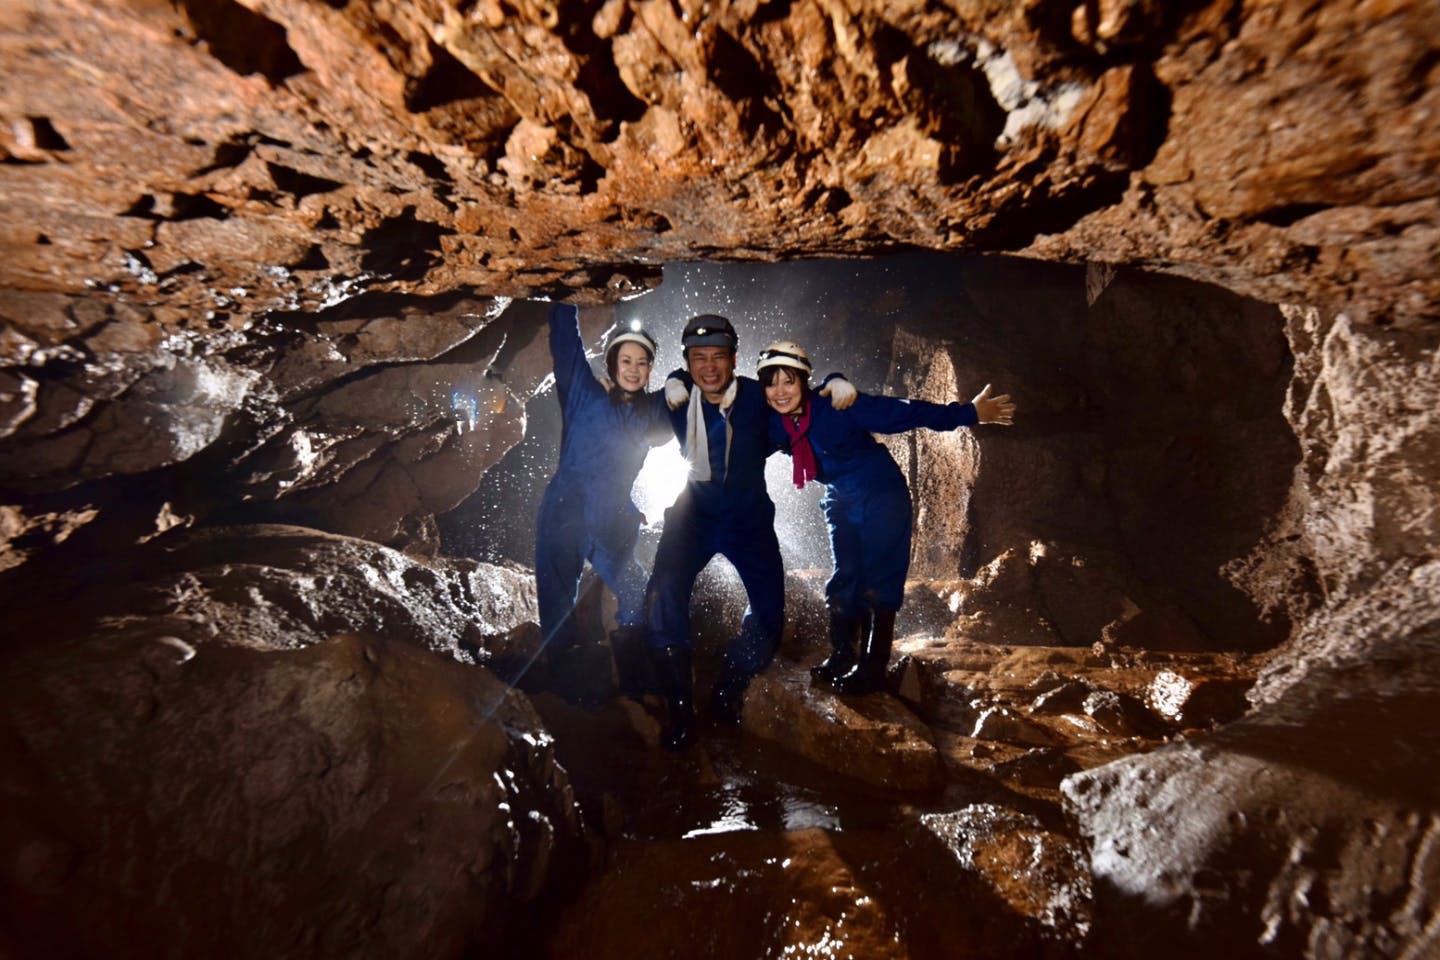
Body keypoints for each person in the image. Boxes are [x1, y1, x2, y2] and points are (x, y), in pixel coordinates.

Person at [758, 339, 1015, 695]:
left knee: (879, 583)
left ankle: (871, 670)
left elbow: (903, 412)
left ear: (805, 380)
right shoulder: (776, 426)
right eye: (771, 382)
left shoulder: (838, 405)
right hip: (841, 498)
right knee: (846, 578)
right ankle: (842, 657)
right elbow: (740, 430)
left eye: (789, 380)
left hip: (881, 492)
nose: (780, 391)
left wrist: (968, 413)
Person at [646, 315, 856, 750]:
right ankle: (681, 712)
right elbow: (626, 407)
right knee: (664, 594)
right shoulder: (677, 399)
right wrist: (670, 378)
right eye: (698, 359)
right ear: (686, 361)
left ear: (734, 358)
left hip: (748, 520)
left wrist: (834, 380)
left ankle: (727, 692)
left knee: (769, 615)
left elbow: (801, 395)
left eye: (718, 357)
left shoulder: (759, 399)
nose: (709, 367)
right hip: (693, 517)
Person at [534, 302, 671, 706]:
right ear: (611, 364)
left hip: (611, 519)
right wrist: (567, 293)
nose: (633, 368)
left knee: (636, 591)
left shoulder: (652, 410)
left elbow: (702, 385)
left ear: (650, 370)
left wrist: (679, 383)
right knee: (557, 598)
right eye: (625, 360)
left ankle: (634, 683)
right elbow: (566, 343)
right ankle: (566, 683)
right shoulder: (583, 392)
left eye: (642, 362)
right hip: (564, 512)